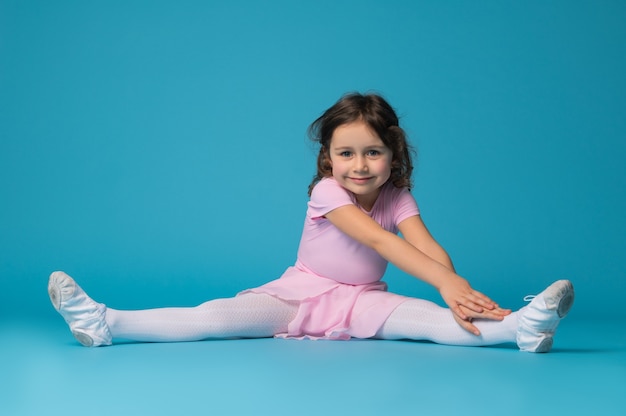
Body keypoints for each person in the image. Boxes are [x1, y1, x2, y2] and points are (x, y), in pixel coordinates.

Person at [48, 92, 574, 352]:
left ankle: (519, 329)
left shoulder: (397, 196)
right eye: (347, 153)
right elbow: (375, 239)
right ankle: (105, 321)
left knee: (431, 323)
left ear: (392, 155)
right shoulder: (328, 193)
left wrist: (459, 290)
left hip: (363, 299)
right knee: (211, 318)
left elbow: (426, 245)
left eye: (372, 153)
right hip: (297, 293)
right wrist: (448, 282)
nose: (359, 166)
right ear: (328, 158)